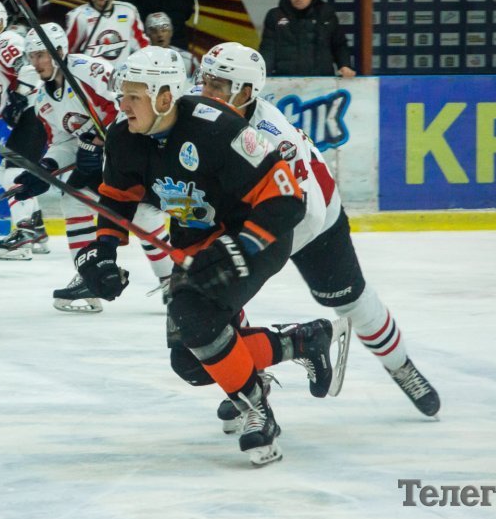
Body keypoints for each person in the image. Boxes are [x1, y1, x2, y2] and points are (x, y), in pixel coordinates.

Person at [74, 45, 343, 466]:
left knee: (195, 318)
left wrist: (239, 247)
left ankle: (256, 410)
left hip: (257, 238)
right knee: (191, 362)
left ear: (165, 97)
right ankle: (302, 341)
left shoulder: (219, 128)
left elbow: (287, 199)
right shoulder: (125, 136)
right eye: (122, 94)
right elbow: (118, 197)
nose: (122, 105)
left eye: (133, 97)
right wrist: (104, 251)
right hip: (198, 245)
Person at [196, 42, 440, 423]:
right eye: (205, 81)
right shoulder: (199, 112)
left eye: (218, 85)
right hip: (248, 215)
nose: (206, 92)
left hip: (313, 220)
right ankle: (248, 381)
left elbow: (302, 212)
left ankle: (401, 366)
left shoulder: (273, 138)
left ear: (245, 92)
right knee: (218, 299)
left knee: (351, 301)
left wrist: (254, 249)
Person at [8, 23, 173, 312]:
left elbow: (129, 110)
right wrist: (46, 167)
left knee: (143, 213)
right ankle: (89, 276)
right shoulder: (43, 100)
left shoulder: (90, 71)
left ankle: (173, 279)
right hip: (103, 157)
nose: (36, 62)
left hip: (136, 148)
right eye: (32, 56)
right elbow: (64, 142)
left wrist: (97, 141)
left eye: (42, 55)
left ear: (60, 51)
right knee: (74, 200)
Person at [0, 0, 50, 259]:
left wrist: (19, 97)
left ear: (0, 23)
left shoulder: (6, 41)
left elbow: (30, 69)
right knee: (12, 171)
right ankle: (37, 232)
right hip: (33, 112)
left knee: (12, 172)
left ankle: (24, 236)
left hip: (36, 111)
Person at [258, 0, 355, 78]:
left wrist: (345, 65)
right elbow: (268, 48)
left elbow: (339, 44)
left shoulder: (326, 14)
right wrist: (263, 74)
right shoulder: (275, 16)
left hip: (322, 80)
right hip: (286, 80)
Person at [66, 0, 148, 68]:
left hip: (121, 75)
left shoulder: (128, 11)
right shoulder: (80, 16)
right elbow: (68, 52)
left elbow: (143, 46)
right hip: (90, 76)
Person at [144, 12, 198, 82]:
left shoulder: (188, 61)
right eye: (154, 31)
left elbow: (199, 86)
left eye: (164, 30)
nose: (160, 35)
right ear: (147, 35)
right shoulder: (138, 60)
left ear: (171, 32)